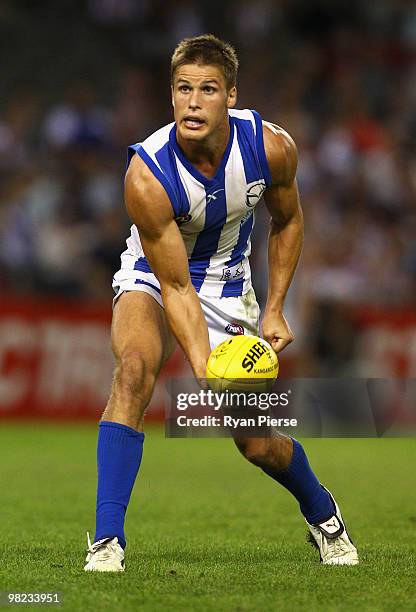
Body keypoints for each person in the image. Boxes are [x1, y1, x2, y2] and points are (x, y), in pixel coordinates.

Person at [84, 34, 358, 571]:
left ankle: (324, 514)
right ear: (171, 96)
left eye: (207, 89)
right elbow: (176, 286)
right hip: (157, 278)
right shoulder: (147, 175)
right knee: (133, 370)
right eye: (183, 88)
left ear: (230, 95)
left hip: (231, 288)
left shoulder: (271, 147)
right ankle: (106, 541)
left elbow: (289, 221)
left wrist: (276, 305)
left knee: (256, 444)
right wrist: (203, 368)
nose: (192, 100)